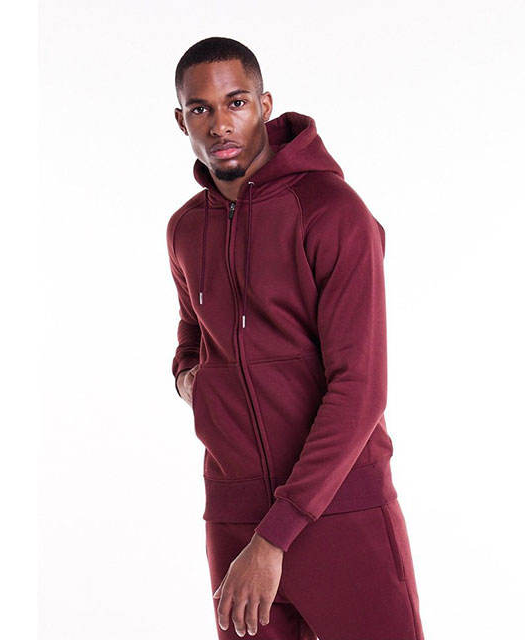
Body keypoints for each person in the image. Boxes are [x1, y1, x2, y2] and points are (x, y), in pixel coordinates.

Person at [166, 36, 425, 640]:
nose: (220, 124)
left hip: (342, 510)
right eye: (201, 109)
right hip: (233, 514)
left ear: (264, 105)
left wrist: (276, 535)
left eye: (236, 102)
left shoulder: (332, 213)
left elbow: (360, 389)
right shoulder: (185, 229)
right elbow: (190, 334)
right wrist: (190, 381)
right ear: (182, 120)